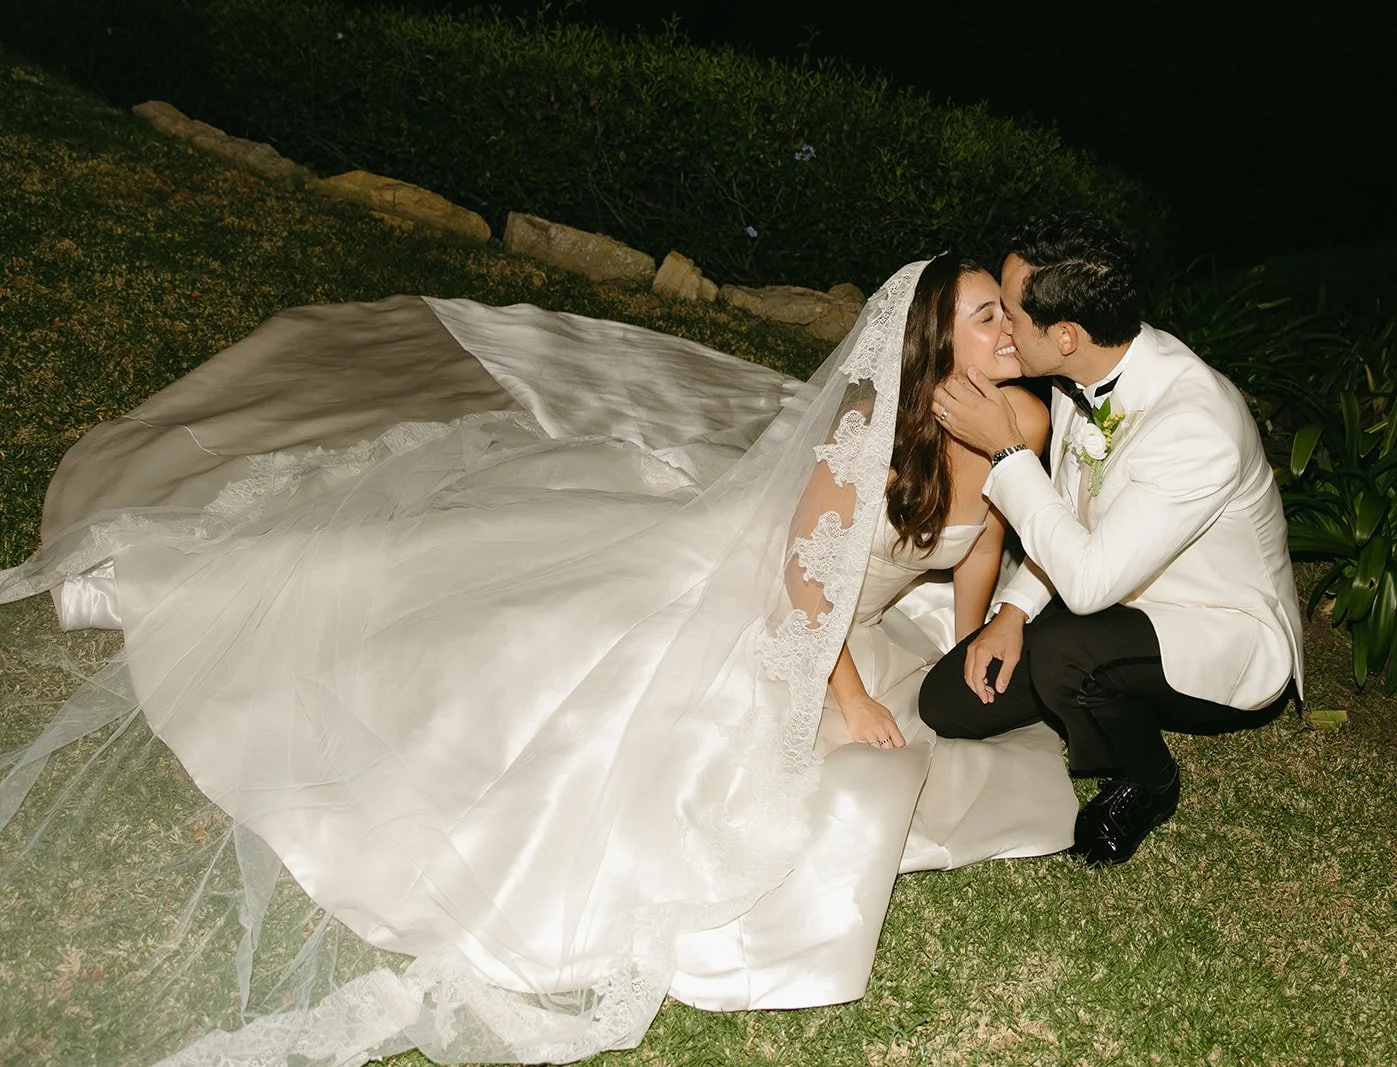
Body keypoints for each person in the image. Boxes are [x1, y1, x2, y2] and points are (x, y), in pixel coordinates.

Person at [0, 255, 1074, 1066]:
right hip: (770, 594)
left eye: (1007, 314)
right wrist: (842, 694)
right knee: (525, 635)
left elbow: (983, 538)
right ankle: (172, 580)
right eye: (988, 315)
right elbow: (809, 590)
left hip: (849, 608)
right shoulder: (861, 445)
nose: (1011, 328)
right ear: (935, 341)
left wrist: (980, 622)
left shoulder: (1020, 412)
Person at [923, 212, 1304, 869]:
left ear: (1064, 334)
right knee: (947, 702)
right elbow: (1071, 511)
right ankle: (1084, 689)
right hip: (1109, 586)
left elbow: (1090, 580)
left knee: (1068, 655)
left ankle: (1148, 778)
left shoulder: (1196, 425)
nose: (1004, 330)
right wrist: (1010, 615)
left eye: (1010, 315)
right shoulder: (1082, 374)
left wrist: (1007, 451)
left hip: (1217, 627)